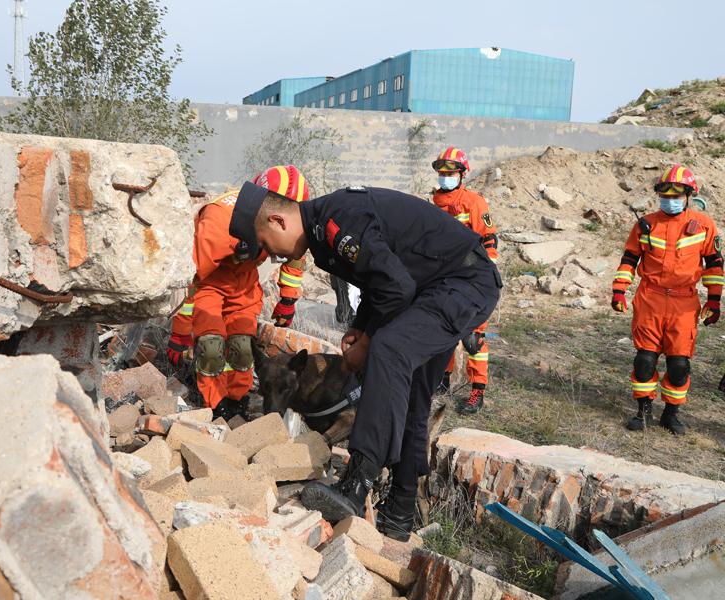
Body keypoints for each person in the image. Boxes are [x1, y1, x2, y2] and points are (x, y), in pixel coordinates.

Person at [229, 181, 502, 541]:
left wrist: (369, 340)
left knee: (387, 350)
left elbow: (398, 288)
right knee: (412, 392)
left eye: (266, 244)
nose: (275, 256)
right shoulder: (325, 227)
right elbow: (384, 279)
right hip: (436, 287)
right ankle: (400, 513)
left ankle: (356, 485)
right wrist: (360, 328)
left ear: (278, 221)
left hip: (462, 283)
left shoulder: (337, 222)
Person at [166, 165, 309, 420]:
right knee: (211, 346)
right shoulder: (220, 220)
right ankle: (216, 405)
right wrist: (180, 332)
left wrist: (288, 298)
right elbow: (190, 279)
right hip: (209, 283)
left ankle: (238, 400)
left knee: (242, 348)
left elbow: (295, 255)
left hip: (243, 284)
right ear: (268, 214)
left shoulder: (290, 219)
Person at [612, 164, 723, 435]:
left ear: (689, 195)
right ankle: (643, 410)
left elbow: (714, 265)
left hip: (684, 303)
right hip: (650, 299)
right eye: (665, 195)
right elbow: (629, 258)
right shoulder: (646, 224)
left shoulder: (704, 226)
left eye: (676, 195)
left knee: (678, 364)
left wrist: (714, 301)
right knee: (645, 360)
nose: (670, 200)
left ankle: (671, 414)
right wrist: (619, 289)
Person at [431, 147, 498, 413]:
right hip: (443, 278)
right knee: (444, 331)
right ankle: (442, 383)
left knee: (473, 338)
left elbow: (489, 241)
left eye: (450, 172)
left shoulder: (474, 203)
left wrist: (484, 278)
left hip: (473, 278)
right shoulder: (433, 204)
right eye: (442, 173)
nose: (445, 177)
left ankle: (477, 392)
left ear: (462, 174)